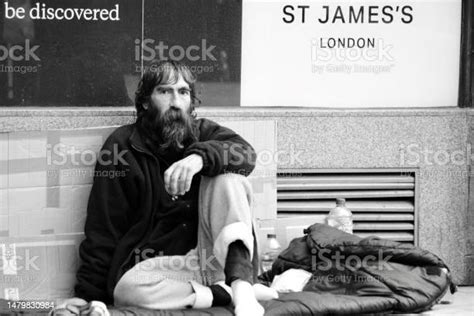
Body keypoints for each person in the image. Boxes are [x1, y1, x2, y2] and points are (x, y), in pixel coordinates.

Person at [51, 61, 277, 316]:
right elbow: (104, 228)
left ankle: (242, 288)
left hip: (215, 257)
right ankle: (221, 293)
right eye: (164, 91)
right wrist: (88, 296)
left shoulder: (205, 133)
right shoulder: (122, 147)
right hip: (166, 269)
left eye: (183, 92)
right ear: (146, 102)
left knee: (229, 177)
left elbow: (245, 153)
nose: (176, 102)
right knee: (127, 290)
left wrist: (200, 159)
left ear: (192, 101)